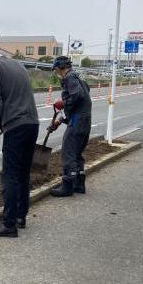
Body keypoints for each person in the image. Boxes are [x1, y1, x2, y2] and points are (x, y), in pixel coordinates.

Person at [0, 34, 40, 237]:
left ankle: (9, 224)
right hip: (32, 123)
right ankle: (20, 216)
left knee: (10, 174)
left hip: (17, 126)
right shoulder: (17, 65)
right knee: (23, 173)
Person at [48, 56, 92, 196]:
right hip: (84, 119)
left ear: (61, 67)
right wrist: (59, 121)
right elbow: (80, 101)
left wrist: (63, 103)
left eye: (56, 70)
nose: (56, 73)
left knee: (68, 152)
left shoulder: (70, 77)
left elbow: (76, 96)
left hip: (78, 121)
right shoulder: (78, 78)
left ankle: (68, 185)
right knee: (77, 153)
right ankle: (79, 184)